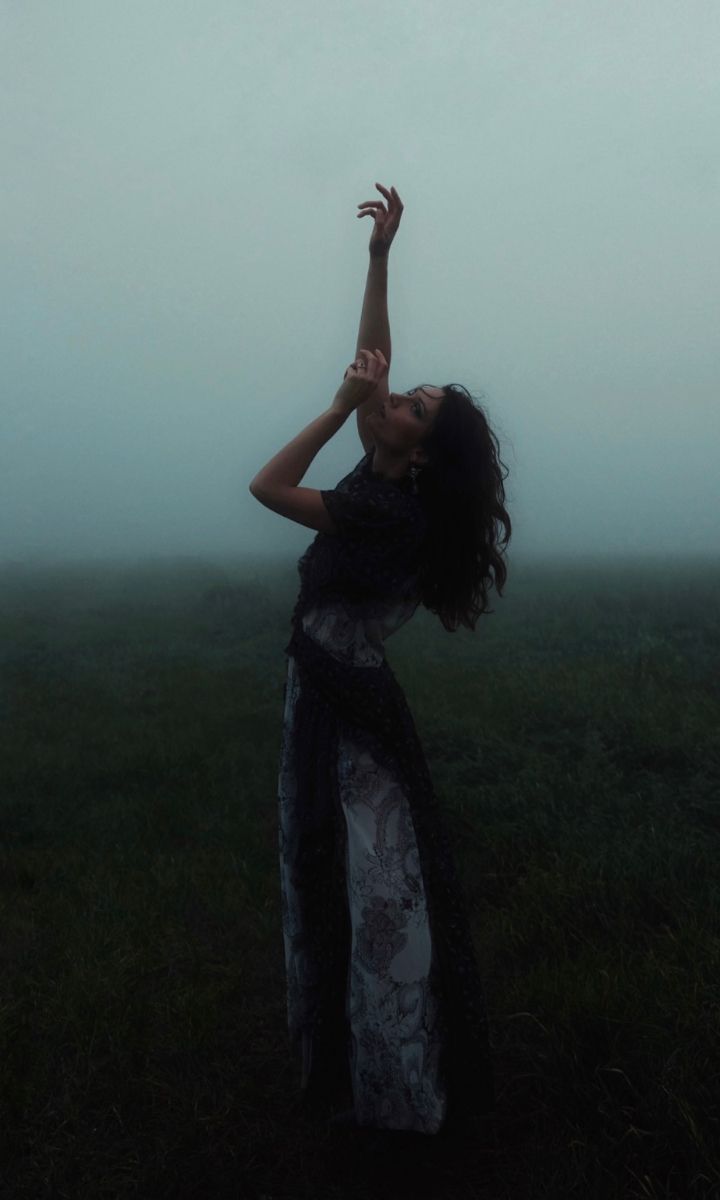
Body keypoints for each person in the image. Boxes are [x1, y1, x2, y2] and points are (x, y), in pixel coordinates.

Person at [249, 183, 511, 1136]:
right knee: (356, 875)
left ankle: (394, 1084)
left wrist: (334, 405)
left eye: (412, 406)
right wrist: (378, 261)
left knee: (372, 883)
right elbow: (381, 365)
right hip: (341, 692)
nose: (393, 395)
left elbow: (267, 484)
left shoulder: (381, 507)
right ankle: (373, 1064)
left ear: (419, 449)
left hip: (339, 702)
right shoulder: (396, 482)